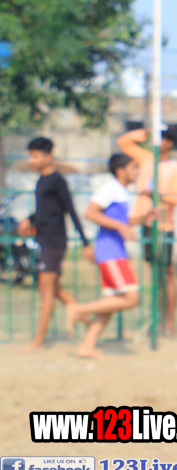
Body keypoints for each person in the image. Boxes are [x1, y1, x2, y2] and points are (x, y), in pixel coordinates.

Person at [66, 153, 157, 358]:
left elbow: (121, 221)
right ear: (120, 171)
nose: (137, 172)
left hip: (114, 251)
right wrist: (120, 227)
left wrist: (142, 219)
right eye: (133, 168)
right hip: (111, 252)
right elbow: (91, 213)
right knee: (131, 298)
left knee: (110, 303)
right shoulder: (110, 188)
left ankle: (87, 346)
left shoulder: (121, 192)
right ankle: (79, 309)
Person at [18, 137, 91, 351]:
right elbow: (47, 210)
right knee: (53, 289)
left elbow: (70, 210)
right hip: (43, 238)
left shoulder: (58, 181)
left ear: (48, 157)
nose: (31, 160)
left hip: (54, 241)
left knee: (47, 289)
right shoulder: (41, 180)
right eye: (30, 156)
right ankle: (89, 324)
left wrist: (86, 243)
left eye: (35, 156)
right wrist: (30, 219)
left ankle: (39, 339)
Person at [117, 126, 177, 336]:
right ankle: (156, 321)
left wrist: (157, 195)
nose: (157, 143)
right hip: (146, 224)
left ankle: (170, 322)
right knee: (155, 275)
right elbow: (124, 142)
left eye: (161, 138)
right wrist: (146, 131)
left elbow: (176, 198)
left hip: (164, 225)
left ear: (169, 143)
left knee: (167, 273)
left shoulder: (176, 168)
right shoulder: (146, 159)